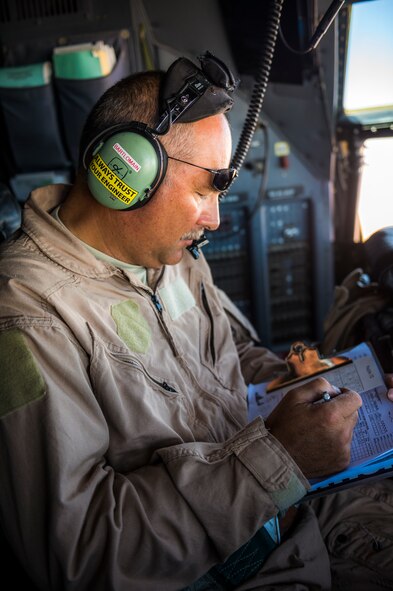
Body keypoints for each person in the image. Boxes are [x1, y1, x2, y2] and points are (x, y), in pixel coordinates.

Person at [0, 53, 393, 591]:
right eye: (205, 190)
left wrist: (319, 384)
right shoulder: (27, 319)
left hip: (288, 510)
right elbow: (83, 554)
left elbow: (231, 351)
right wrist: (279, 458)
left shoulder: (173, 257)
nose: (215, 218)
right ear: (126, 169)